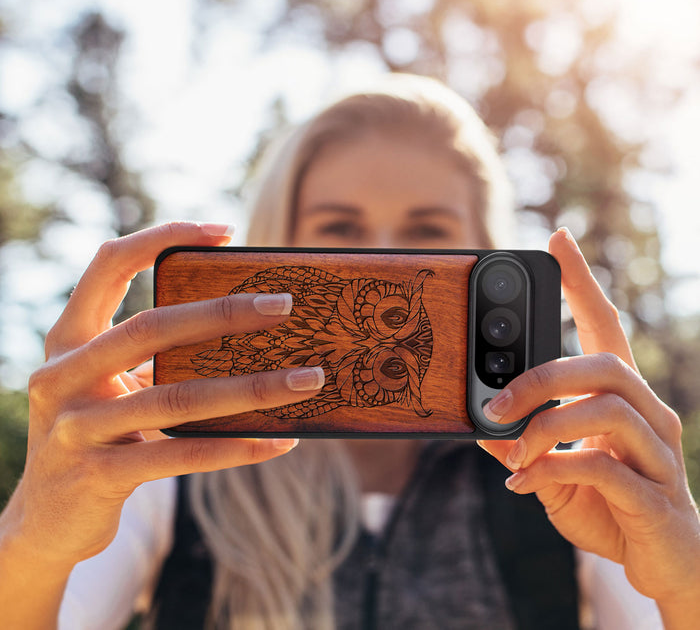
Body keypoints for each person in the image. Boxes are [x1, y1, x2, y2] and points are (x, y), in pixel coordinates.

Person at [0, 75, 698, 630]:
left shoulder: (567, 473)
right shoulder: (171, 465)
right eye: (340, 228)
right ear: (279, 243)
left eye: (428, 231)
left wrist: (685, 578)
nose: (386, 257)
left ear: (487, 252)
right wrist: (34, 537)